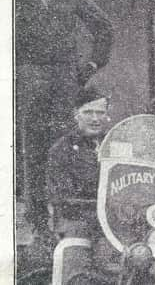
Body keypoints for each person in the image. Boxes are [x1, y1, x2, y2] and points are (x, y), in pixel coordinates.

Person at [15, 0, 114, 235]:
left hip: (65, 80)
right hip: (30, 79)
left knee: (69, 144)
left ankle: (70, 215)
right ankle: (36, 221)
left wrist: (91, 65)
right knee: (33, 149)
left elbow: (103, 27)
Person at [47, 87, 110, 239]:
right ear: (76, 114)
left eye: (100, 112)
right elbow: (63, 199)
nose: (95, 119)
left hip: (115, 219)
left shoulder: (116, 143)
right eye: (88, 112)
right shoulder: (62, 149)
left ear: (107, 115)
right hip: (77, 223)